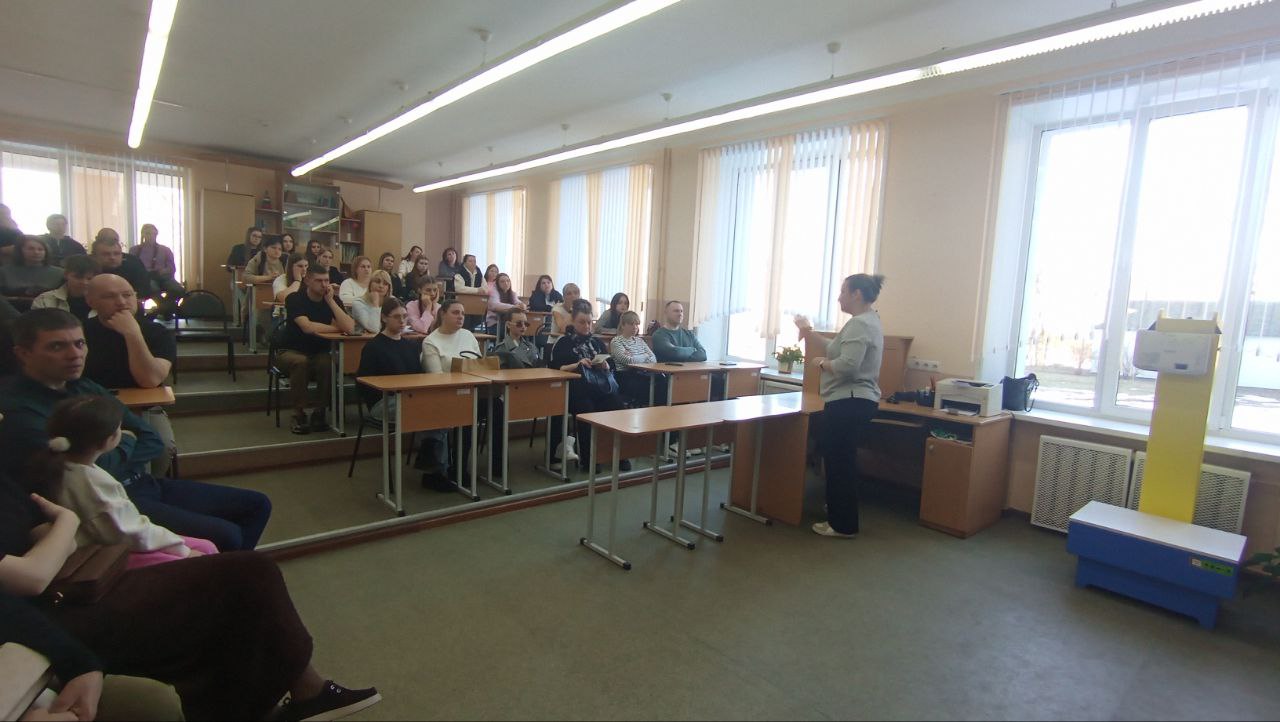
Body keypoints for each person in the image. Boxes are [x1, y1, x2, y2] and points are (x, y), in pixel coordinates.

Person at [0, 474, 381, 721]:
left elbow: (39, 534)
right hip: (43, 613)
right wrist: (64, 527)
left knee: (246, 574)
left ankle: (289, 696)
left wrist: (53, 541)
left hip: (74, 578)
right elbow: (31, 577)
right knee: (244, 574)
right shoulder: (26, 421)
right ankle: (295, 695)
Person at [0, 310, 272, 552]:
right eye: (57, 346)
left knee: (257, 504)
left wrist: (113, 449)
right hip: (100, 500)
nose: (75, 354)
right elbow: (77, 471)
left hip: (141, 482)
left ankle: (226, 577)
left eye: (80, 343)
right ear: (23, 353)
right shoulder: (16, 409)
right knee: (226, 535)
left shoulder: (84, 386)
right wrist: (127, 440)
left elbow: (151, 439)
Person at [33, 395, 216, 567]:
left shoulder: (60, 465)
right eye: (119, 428)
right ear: (109, 440)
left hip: (106, 541)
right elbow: (131, 531)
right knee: (205, 554)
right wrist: (183, 551)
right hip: (109, 552)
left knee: (205, 546)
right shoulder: (94, 484)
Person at [794, 273, 886, 539]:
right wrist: (809, 332)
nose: (839, 298)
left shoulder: (860, 324)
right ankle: (840, 513)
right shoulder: (868, 321)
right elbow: (834, 347)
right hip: (856, 401)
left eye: (843, 292)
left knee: (839, 463)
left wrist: (822, 364)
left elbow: (847, 366)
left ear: (857, 294)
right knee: (840, 460)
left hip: (849, 401)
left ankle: (842, 524)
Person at [81, 274, 178, 476]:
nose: (121, 302)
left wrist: (132, 333)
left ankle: (145, 487)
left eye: (127, 295)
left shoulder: (157, 332)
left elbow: (150, 380)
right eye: (109, 296)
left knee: (161, 447)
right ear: (90, 301)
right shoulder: (79, 332)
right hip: (89, 406)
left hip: (145, 406)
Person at [279, 263, 356, 434]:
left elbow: (350, 328)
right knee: (300, 362)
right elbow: (307, 327)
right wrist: (336, 328)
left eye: (326, 280)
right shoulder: (295, 299)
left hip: (319, 352)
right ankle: (298, 414)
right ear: (307, 280)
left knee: (327, 363)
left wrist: (331, 302)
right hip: (290, 350)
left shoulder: (332, 299)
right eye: (319, 281)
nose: (324, 285)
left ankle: (319, 412)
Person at [550, 305, 628, 472]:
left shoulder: (596, 342)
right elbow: (556, 368)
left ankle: (620, 455)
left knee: (617, 404)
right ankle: (589, 458)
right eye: (582, 322)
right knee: (587, 408)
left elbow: (611, 364)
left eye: (589, 322)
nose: (586, 326)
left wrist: (605, 365)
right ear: (573, 321)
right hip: (575, 390)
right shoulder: (564, 342)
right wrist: (577, 364)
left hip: (599, 388)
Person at [420, 300, 480, 485]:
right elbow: (437, 377)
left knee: (497, 407)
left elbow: (480, 365)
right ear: (442, 314)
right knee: (465, 412)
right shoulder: (431, 341)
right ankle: (452, 469)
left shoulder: (468, 335)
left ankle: (494, 464)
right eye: (455, 312)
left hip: (471, 390)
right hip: (444, 394)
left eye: (462, 313)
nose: (460, 316)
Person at [243, 235, 287, 344]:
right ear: (265, 248)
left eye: (280, 249)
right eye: (273, 248)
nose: (277, 251)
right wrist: (268, 277)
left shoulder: (285, 260)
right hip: (259, 294)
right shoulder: (259, 259)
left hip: (278, 295)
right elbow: (246, 277)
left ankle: (275, 338)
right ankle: (264, 336)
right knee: (261, 315)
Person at [31, 254, 99, 321]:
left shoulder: (102, 300)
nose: (84, 282)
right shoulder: (44, 300)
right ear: (66, 275)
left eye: (89, 278)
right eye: (78, 277)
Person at [90, 229, 152, 300]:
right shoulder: (87, 267)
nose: (112, 257)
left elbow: (144, 290)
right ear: (94, 256)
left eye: (116, 254)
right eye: (106, 254)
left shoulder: (133, 263)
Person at [610, 310, 656, 406]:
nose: (635, 327)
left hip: (642, 373)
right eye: (631, 324)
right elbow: (629, 361)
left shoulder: (640, 341)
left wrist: (635, 356)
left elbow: (653, 359)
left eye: (637, 324)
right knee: (648, 385)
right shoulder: (616, 341)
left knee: (661, 380)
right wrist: (645, 355)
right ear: (623, 325)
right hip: (625, 377)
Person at [129, 224, 184, 299]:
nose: (151, 236)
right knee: (153, 289)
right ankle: (163, 304)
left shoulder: (165, 250)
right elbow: (132, 267)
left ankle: (167, 304)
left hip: (163, 277)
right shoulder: (135, 250)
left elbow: (171, 268)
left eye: (154, 234)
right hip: (145, 278)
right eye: (148, 233)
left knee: (178, 290)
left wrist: (162, 271)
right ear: (143, 235)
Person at [0, 235, 64, 297]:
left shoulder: (60, 273)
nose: (36, 252)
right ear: (20, 251)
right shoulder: (4, 272)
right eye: (30, 249)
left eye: (40, 249)